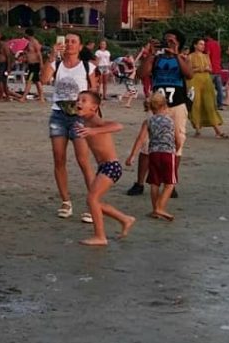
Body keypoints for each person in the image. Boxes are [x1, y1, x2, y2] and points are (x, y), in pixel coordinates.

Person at [40, 33, 96, 221]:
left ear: (80, 47)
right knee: (59, 159)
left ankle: (92, 201)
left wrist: (90, 115)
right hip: (58, 114)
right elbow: (44, 79)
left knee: (83, 160)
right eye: (67, 41)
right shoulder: (57, 65)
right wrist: (51, 57)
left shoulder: (87, 66)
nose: (70, 45)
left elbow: (94, 93)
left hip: (79, 116)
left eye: (74, 42)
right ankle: (65, 201)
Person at [128, 31, 192, 196]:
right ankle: (140, 182)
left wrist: (176, 54)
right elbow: (141, 74)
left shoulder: (183, 59)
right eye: (166, 40)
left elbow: (189, 74)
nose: (167, 43)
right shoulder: (156, 58)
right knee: (147, 144)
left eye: (172, 40)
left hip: (177, 104)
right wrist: (151, 54)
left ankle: (170, 183)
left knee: (177, 143)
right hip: (157, 105)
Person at [72, 92, 135, 246]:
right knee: (93, 202)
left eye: (83, 101)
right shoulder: (83, 121)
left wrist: (94, 131)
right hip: (103, 167)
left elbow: (118, 126)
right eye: (78, 100)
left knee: (92, 199)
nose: (79, 102)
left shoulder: (95, 120)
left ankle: (100, 237)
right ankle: (125, 219)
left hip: (111, 166)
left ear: (94, 107)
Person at [126, 91, 178, 221]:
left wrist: (132, 155)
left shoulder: (148, 121)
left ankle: (155, 209)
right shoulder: (170, 121)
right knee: (170, 184)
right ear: (165, 105)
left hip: (153, 153)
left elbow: (141, 139)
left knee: (154, 182)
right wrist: (178, 146)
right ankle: (160, 208)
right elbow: (178, 138)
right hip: (168, 153)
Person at [189, 38, 229, 139]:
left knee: (210, 104)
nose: (203, 46)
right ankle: (197, 129)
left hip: (206, 81)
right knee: (196, 104)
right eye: (200, 44)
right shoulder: (190, 57)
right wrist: (199, 69)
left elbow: (211, 69)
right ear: (195, 45)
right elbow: (188, 70)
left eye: (203, 44)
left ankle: (217, 130)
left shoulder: (206, 56)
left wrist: (207, 69)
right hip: (194, 81)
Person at [21, 28, 45, 102]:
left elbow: (39, 53)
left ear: (27, 34)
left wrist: (41, 64)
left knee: (29, 80)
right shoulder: (28, 43)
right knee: (36, 81)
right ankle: (41, 97)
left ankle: (24, 97)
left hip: (35, 64)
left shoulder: (35, 42)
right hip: (31, 64)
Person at [204, 30, 225, 110]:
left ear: (208, 36)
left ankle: (209, 104)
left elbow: (207, 55)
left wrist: (207, 65)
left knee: (208, 88)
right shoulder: (217, 44)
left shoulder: (208, 44)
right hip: (218, 68)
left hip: (211, 69)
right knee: (219, 88)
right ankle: (220, 104)